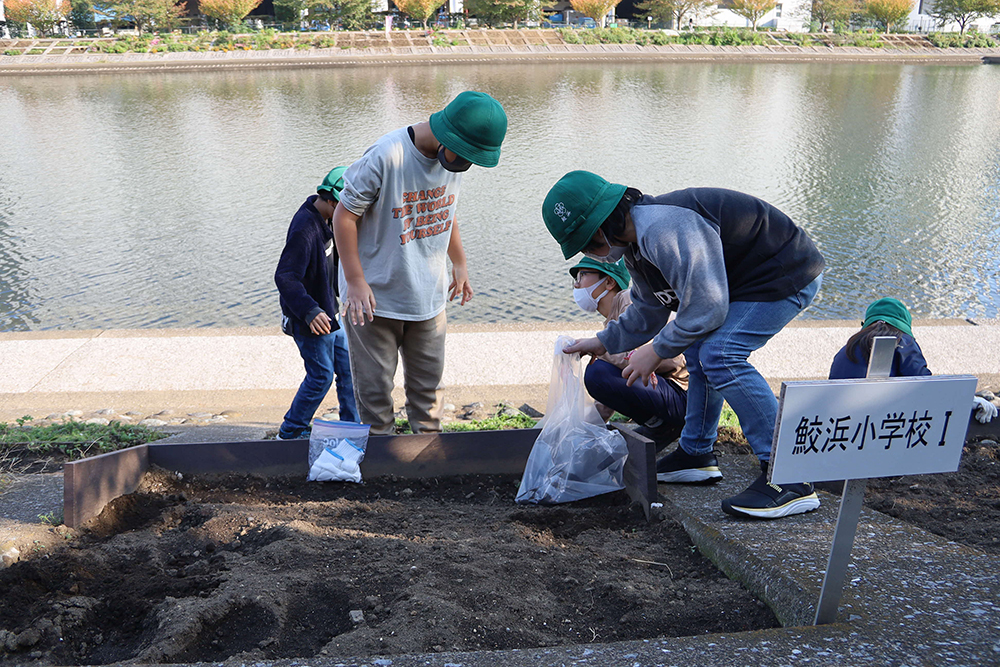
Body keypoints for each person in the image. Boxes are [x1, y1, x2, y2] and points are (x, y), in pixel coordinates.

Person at [542, 171, 825, 520]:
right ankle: (696, 455)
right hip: (740, 285)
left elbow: (708, 305)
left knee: (721, 354)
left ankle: (790, 476)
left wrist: (656, 350)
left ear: (601, 228)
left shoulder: (664, 228)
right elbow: (649, 310)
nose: (591, 254)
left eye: (586, 244)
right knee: (697, 349)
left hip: (785, 272)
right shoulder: (636, 248)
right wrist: (601, 342)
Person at [333, 91, 507, 435]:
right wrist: (354, 281)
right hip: (374, 301)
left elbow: (445, 208)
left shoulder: (452, 159)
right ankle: (383, 469)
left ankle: (426, 467)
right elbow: (343, 217)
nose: (467, 164)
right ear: (449, 136)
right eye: (468, 155)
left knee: (429, 397)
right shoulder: (388, 155)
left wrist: (459, 262)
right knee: (375, 398)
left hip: (428, 297)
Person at [569, 257, 688, 450]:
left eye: (583, 274)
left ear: (609, 282)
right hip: (668, 396)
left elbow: (661, 357)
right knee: (598, 371)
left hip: (683, 394)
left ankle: (664, 426)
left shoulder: (628, 299)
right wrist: (581, 431)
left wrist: (600, 352)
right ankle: (659, 425)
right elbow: (610, 391)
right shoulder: (611, 323)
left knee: (597, 371)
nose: (576, 283)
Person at [275, 167, 358, 441]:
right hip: (309, 320)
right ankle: (290, 432)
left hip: (331, 313)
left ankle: (352, 426)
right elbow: (285, 276)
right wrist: (310, 311)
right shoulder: (305, 228)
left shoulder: (329, 220)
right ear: (333, 201)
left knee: (349, 370)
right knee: (320, 377)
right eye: (347, 206)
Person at [830, 297, 998, 423]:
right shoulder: (903, 342)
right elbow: (926, 387)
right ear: (903, 326)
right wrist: (968, 400)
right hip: (876, 424)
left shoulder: (848, 346)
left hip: (839, 419)